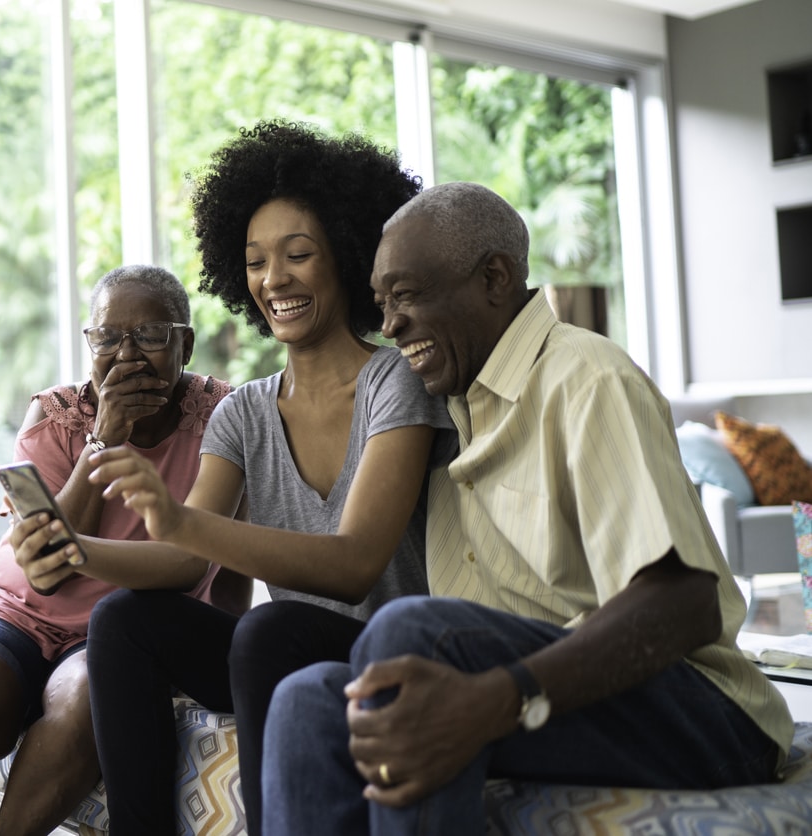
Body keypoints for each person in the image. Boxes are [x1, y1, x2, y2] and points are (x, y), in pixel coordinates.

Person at [261, 181, 795, 834]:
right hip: (567, 696)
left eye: (404, 296)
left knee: (417, 636)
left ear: (494, 278)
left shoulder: (585, 378)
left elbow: (680, 603)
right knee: (302, 702)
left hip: (703, 712)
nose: (389, 324)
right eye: (380, 303)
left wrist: (496, 698)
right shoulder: (451, 407)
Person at [53, 121, 456, 835]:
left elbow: (356, 564)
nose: (274, 279)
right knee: (123, 619)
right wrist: (73, 551)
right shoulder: (241, 411)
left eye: (298, 254)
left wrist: (181, 522)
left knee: (266, 630)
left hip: (388, 646)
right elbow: (182, 565)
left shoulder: (396, 382)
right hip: (276, 641)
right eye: (256, 261)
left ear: (345, 256)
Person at [0, 264, 233, 836]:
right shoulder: (54, 415)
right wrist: (103, 438)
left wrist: (220, 648)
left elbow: (220, 563)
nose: (127, 355)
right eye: (108, 337)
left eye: (151, 335)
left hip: (119, 632)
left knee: (83, 702)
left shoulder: (220, 418)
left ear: (185, 340)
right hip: (17, 610)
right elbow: (47, 572)